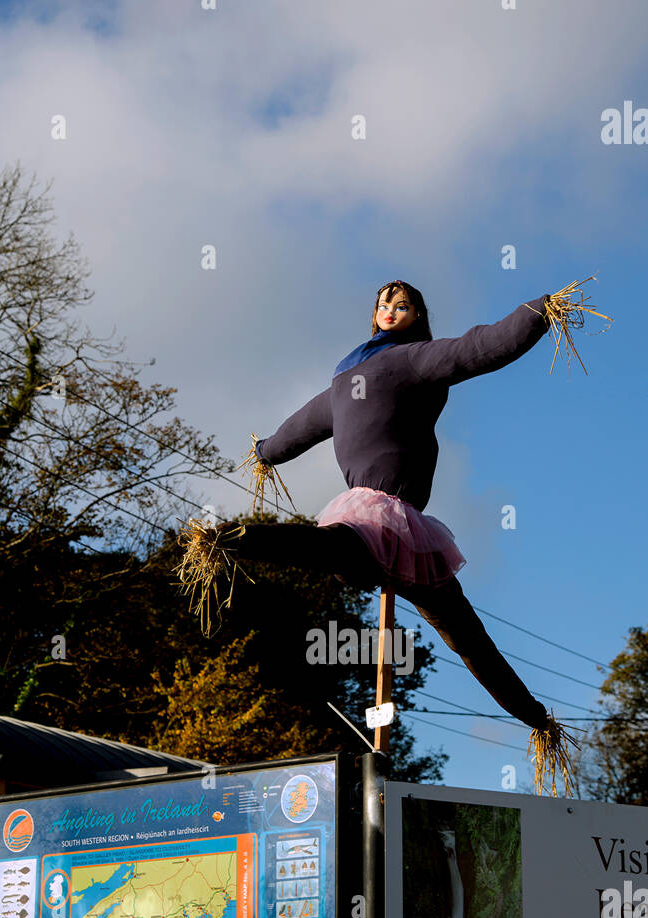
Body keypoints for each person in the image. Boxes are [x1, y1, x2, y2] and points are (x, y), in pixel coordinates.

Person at [195, 279, 555, 730]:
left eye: (402, 306)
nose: (390, 310)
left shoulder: (416, 359)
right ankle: (222, 540)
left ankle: (536, 719)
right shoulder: (345, 379)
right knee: (326, 548)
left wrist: (539, 312)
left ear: (417, 317)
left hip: (405, 527)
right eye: (385, 303)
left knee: (466, 637)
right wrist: (266, 451)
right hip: (371, 518)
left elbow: (479, 347)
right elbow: (304, 424)